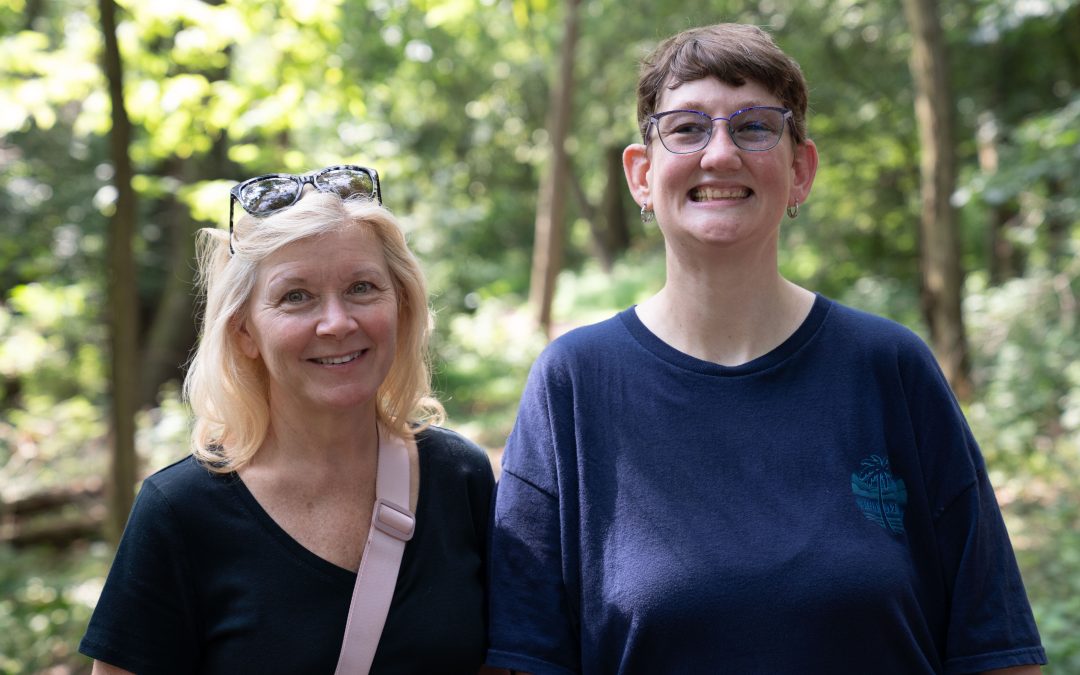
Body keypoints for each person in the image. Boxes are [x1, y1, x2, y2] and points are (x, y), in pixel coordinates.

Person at [486, 24, 1047, 674]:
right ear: (641, 174)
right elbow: (520, 660)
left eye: (754, 127)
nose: (720, 154)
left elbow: (997, 650)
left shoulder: (891, 367)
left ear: (800, 169)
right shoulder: (574, 384)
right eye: (687, 127)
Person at [79, 165, 496, 673]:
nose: (338, 322)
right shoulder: (179, 513)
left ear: (402, 307)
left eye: (363, 287)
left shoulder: (460, 477)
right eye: (295, 296)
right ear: (244, 332)